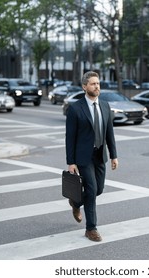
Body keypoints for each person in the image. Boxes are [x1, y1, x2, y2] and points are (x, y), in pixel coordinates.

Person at [65, 71, 118, 242]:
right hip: (84, 157)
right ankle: (91, 228)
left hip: (100, 154)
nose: (97, 86)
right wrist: (71, 162)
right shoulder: (75, 108)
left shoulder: (104, 105)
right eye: (93, 84)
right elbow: (70, 137)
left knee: (98, 189)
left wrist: (114, 155)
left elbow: (109, 132)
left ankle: (76, 203)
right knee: (91, 189)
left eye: (98, 84)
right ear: (84, 86)